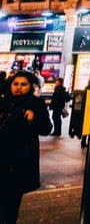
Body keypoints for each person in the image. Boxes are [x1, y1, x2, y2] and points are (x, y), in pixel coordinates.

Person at [0, 71, 52, 222]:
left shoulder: (36, 104)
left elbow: (46, 129)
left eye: (23, 84)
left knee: (10, 205)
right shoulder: (3, 102)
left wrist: (33, 119)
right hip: (2, 158)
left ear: (31, 86)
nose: (19, 88)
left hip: (20, 162)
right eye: (15, 84)